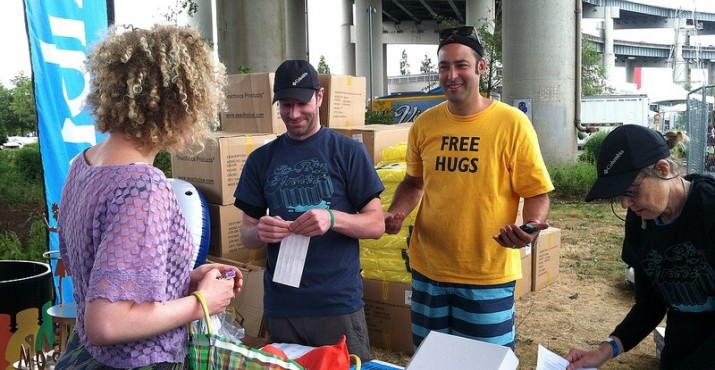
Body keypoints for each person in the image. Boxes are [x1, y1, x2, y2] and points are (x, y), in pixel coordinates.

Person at [55, 24, 243, 369]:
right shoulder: (143, 187)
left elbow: (104, 275)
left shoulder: (82, 166)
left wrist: (184, 277)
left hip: (82, 356)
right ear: (177, 102)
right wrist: (203, 301)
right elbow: (107, 322)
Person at [384, 25, 553, 350]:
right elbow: (413, 182)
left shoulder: (512, 123)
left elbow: (536, 192)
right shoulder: (424, 124)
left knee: (485, 361)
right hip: (428, 269)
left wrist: (529, 228)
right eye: (444, 66)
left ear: (481, 67)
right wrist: (397, 212)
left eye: (461, 64)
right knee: (431, 359)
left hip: (487, 273)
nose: (451, 75)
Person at [233, 59, 385, 361]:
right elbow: (246, 234)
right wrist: (260, 231)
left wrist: (332, 218)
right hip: (283, 305)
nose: (293, 114)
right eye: (285, 105)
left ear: (319, 96)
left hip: (337, 303)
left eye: (301, 103)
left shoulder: (347, 152)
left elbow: (376, 224)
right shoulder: (261, 160)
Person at [566, 124, 715, 370]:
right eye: (619, 195)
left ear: (663, 169)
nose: (625, 204)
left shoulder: (709, 210)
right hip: (680, 345)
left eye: (632, 191)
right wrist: (605, 351)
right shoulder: (639, 224)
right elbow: (650, 305)